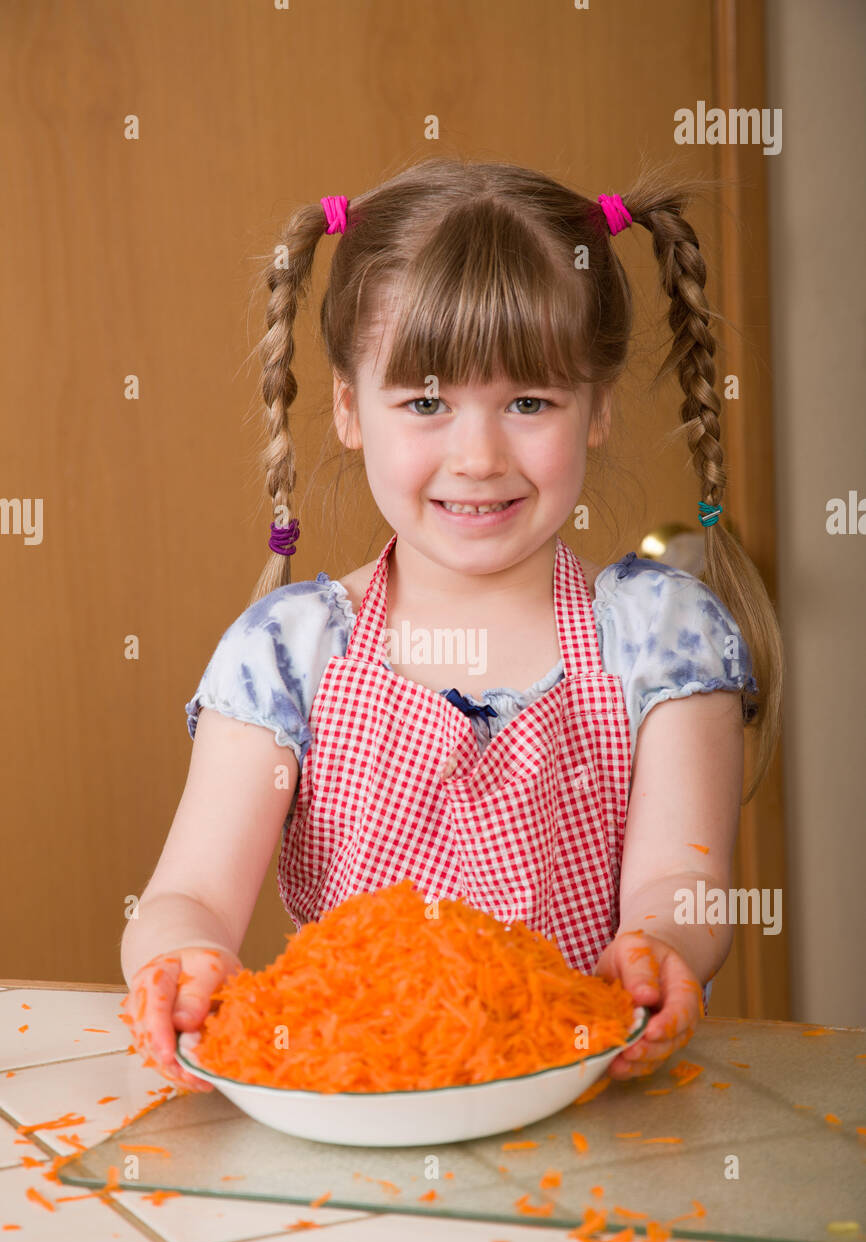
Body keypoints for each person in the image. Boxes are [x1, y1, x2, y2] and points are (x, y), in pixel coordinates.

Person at [120, 157, 782, 1094]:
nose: (478, 457)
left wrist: (661, 947)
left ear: (595, 408)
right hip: (354, 1104)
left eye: (529, 402)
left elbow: (681, 887)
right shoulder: (290, 653)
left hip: (593, 1103)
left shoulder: (658, 640)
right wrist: (181, 957)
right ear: (350, 409)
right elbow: (186, 895)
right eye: (426, 402)